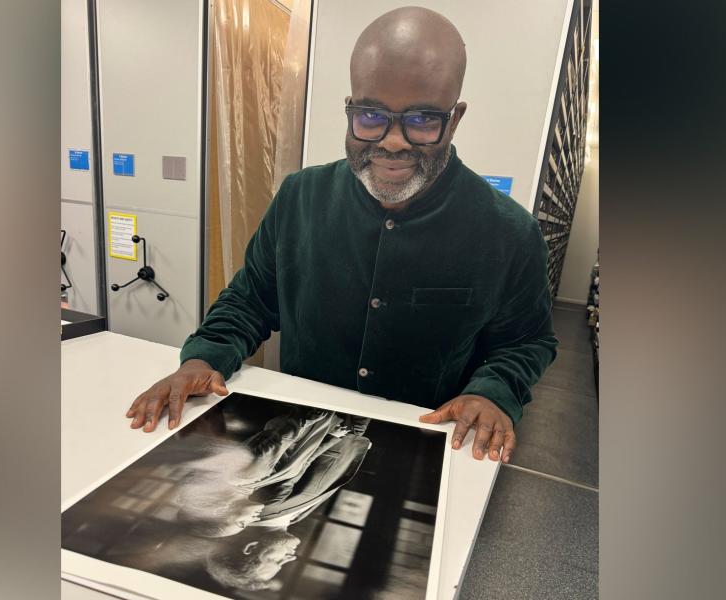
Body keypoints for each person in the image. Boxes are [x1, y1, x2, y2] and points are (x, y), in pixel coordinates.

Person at [126, 7, 558, 463]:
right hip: (296, 438)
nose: (393, 141)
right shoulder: (299, 197)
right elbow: (250, 300)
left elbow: (526, 341)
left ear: (454, 120)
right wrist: (203, 359)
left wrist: (492, 392)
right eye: (371, 115)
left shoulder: (509, 232)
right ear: (349, 110)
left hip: (422, 450)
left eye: (422, 120)